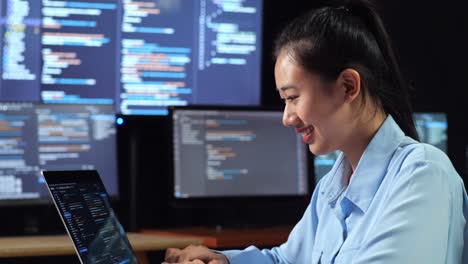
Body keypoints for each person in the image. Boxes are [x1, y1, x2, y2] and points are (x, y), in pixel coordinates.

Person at [163, 0, 468, 263]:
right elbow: (288, 259)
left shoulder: (423, 174)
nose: (286, 117)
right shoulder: (331, 188)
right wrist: (224, 260)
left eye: (293, 97)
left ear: (348, 86)